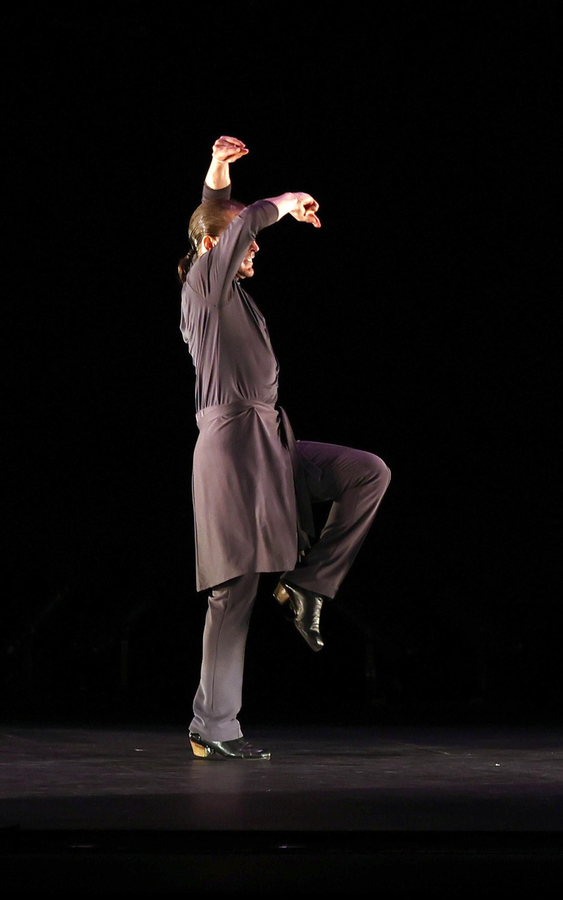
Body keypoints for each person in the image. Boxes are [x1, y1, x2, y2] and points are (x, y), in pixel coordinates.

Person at [177, 136, 393, 761]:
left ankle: (307, 585)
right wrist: (288, 200)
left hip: (271, 442)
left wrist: (216, 173)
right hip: (233, 451)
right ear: (217, 250)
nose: (256, 248)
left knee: (365, 473)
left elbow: (216, 219)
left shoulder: (224, 285)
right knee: (234, 587)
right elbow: (231, 225)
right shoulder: (204, 289)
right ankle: (213, 726)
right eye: (245, 244)